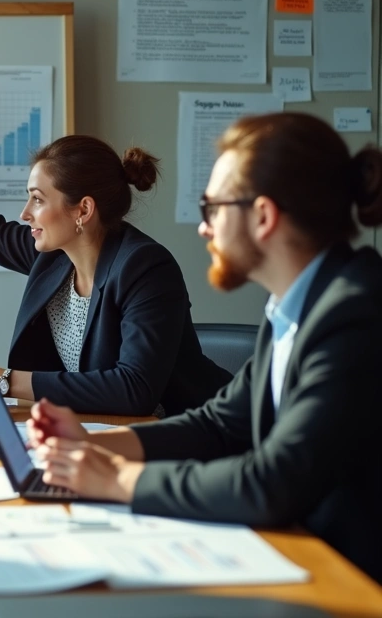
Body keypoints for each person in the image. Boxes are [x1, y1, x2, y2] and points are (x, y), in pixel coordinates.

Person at [29, 112, 382, 583]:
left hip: (352, 579)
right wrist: (95, 445)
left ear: (262, 216)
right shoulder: (297, 305)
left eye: (212, 208)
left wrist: (115, 478)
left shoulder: (355, 314)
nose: (203, 228)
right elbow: (220, 424)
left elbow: (272, 483)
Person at [0, 82, 230, 417]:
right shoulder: (53, 257)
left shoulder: (145, 268)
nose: (25, 213)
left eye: (37, 199)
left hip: (185, 435)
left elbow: (134, 389)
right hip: (96, 430)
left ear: (82, 209)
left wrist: (0, 381)